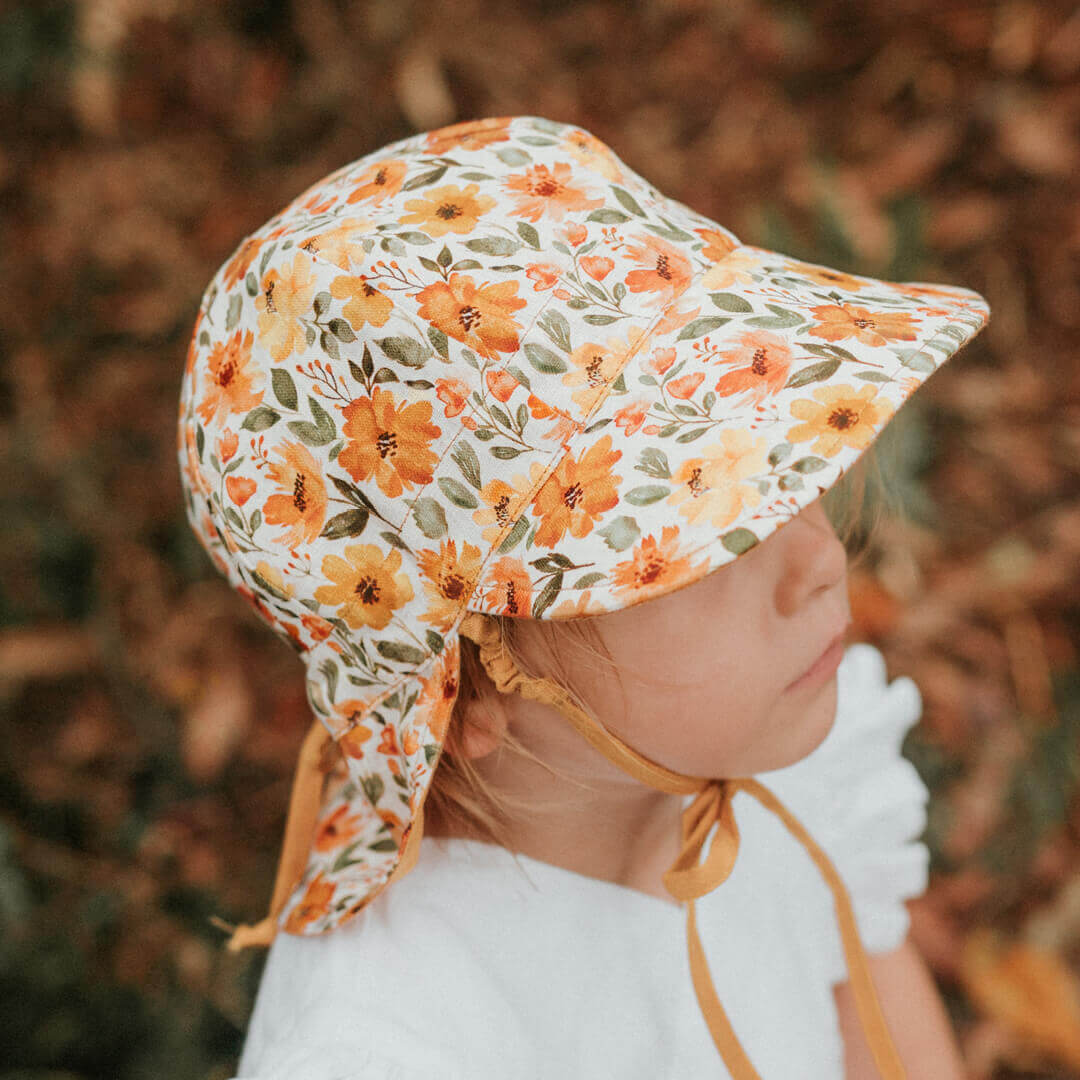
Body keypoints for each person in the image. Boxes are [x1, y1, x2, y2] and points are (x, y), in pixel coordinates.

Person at [177, 115, 990, 1078]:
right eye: (695, 539)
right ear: (471, 691)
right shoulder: (402, 1047)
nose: (814, 560)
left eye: (772, 465)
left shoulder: (778, 753)